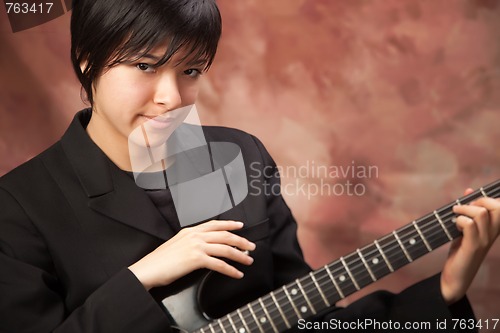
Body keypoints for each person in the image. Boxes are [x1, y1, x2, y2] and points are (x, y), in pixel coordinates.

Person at [0, 0, 499, 332]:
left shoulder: (239, 156)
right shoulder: (18, 207)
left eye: (191, 71)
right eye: (146, 67)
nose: (172, 98)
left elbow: (308, 318)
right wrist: (143, 278)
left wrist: (445, 291)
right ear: (87, 59)